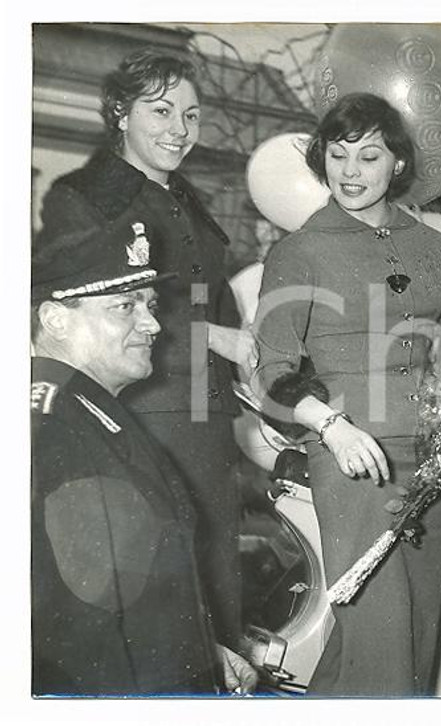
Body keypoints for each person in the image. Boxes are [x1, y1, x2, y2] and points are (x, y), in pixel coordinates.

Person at [38, 48, 253, 650]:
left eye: (191, 115)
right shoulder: (87, 196)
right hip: (138, 413)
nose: (179, 129)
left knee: (217, 585)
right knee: (153, 592)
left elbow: (214, 298)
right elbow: (81, 309)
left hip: (206, 415)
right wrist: (216, 338)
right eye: (161, 111)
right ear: (120, 113)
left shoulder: (187, 199)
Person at [252, 92, 441, 696]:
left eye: (368, 156)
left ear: (398, 162)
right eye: (338, 155)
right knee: (381, 641)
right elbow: (271, 374)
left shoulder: (433, 246)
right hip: (353, 462)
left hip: (431, 461)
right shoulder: (299, 251)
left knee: (412, 640)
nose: (350, 172)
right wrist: (332, 428)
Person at [30, 212, 257, 696]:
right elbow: (82, 625)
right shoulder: (57, 428)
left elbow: (132, 590)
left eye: (150, 304)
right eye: (124, 307)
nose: (153, 323)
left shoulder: (87, 411)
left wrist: (204, 651)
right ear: (55, 319)